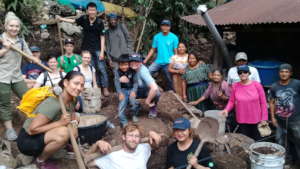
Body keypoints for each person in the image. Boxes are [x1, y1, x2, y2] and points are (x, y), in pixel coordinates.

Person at [17, 71, 84, 169]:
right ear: (66, 83)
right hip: (28, 140)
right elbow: (32, 130)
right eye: (76, 83)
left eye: (82, 85)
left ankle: (65, 144)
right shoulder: (53, 103)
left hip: (45, 133)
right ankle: (40, 160)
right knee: (64, 132)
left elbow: (71, 117)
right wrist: (60, 123)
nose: (79, 88)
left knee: (75, 118)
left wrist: (73, 131)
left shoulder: (73, 99)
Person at [57, 2, 110, 96]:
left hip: (97, 49)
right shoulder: (84, 19)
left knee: (101, 68)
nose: (92, 12)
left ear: (96, 11)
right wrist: (61, 19)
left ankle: (105, 88)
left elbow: (102, 37)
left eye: (94, 10)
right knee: (91, 69)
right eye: (90, 10)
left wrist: (102, 52)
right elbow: (74, 21)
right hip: (86, 49)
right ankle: (95, 88)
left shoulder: (99, 22)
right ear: (87, 11)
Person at [0, 12, 31, 141]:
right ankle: (9, 129)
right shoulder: (1, 39)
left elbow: (29, 56)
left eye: (17, 26)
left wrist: (34, 60)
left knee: (28, 98)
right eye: (11, 26)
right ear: (6, 26)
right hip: (2, 77)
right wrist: (6, 48)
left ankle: (31, 123)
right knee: (5, 103)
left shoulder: (21, 41)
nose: (14, 28)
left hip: (17, 76)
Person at [220, 65, 268, 140]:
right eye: (240, 72)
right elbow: (231, 101)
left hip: (256, 119)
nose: (242, 74)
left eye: (245, 72)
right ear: (238, 74)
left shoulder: (257, 85)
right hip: (242, 119)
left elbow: (263, 103)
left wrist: (264, 118)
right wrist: (226, 110)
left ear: (249, 73)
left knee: (257, 141)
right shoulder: (235, 86)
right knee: (245, 141)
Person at [86, 123, 161, 169]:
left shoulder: (144, 148)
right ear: (123, 137)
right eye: (130, 135)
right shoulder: (112, 155)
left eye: (137, 136)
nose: (133, 139)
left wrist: (154, 134)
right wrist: (97, 144)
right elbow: (86, 162)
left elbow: (161, 141)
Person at [269, 64, 300, 164]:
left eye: (286, 72)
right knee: (280, 142)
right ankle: (285, 162)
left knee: (298, 141)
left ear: (290, 73)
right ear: (279, 73)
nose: (284, 74)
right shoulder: (274, 86)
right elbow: (272, 102)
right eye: (282, 71)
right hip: (280, 120)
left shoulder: (297, 84)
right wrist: (273, 117)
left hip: (295, 120)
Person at [144, 19, 179, 91]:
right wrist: (145, 60)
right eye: (163, 26)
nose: (165, 27)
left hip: (169, 62)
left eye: (167, 26)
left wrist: (177, 62)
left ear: (170, 27)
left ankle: (171, 93)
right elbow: (153, 49)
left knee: (168, 77)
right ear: (161, 27)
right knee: (148, 72)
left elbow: (176, 50)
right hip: (158, 61)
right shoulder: (157, 37)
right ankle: (153, 88)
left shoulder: (174, 37)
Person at [129, 53, 161, 118]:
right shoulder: (127, 68)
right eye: (132, 61)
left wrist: (147, 101)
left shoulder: (143, 71)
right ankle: (136, 106)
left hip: (145, 90)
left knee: (156, 93)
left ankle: (152, 107)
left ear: (141, 62)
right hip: (135, 90)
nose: (134, 63)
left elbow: (154, 88)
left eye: (136, 61)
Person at [114, 54, 139, 127]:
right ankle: (124, 121)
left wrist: (134, 91)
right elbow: (117, 83)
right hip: (123, 90)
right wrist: (120, 93)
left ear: (129, 64)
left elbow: (135, 82)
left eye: (126, 64)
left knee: (133, 102)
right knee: (121, 107)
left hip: (131, 89)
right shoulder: (117, 71)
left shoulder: (133, 71)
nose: (124, 67)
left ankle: (134, 114)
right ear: (119, 65)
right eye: (121, 65)